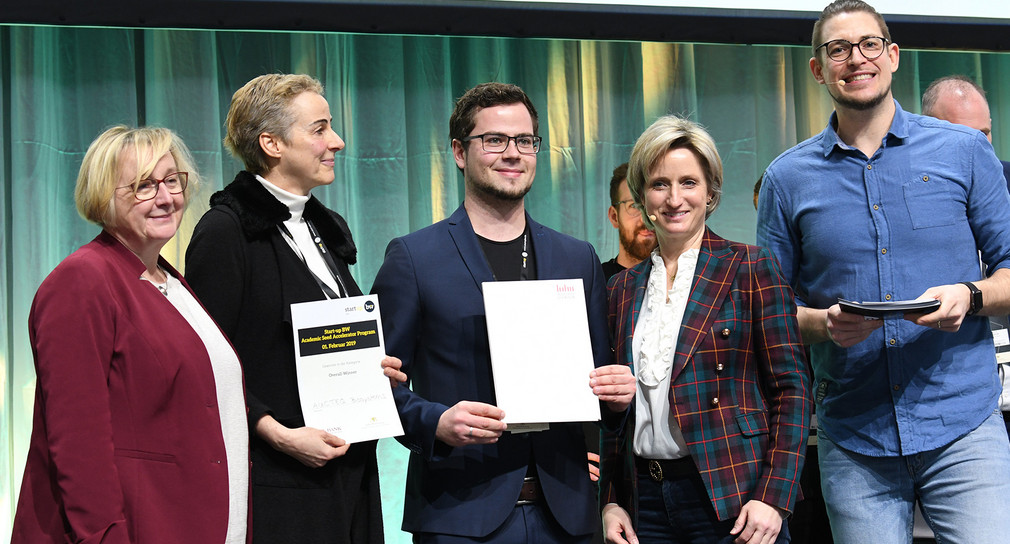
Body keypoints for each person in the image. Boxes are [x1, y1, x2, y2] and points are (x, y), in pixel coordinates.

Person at [756, 2, 1010, 542]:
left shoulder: (964, 152)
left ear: (892, 56)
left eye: (870, 44)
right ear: (818, 68)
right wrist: (822, 324)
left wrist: (971, 294)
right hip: (854, 437)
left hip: (964, 426)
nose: (856, 59)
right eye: (838, 49)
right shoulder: (786, 178)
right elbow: (770, 311)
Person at [371, 81, 636, 544]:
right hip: (459, 516)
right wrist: (436, 422)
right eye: (494, 140)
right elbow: (375, 384)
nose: (512, 153)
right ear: (459, 152)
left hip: (568, 517)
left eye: (525, 141)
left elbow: (597, 382)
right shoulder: (413, 258)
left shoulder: (577, 258)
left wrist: (616, 397)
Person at [185, 74, 406, 544]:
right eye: (320, 128)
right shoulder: (225, 232)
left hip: (350, 469)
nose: (338, 142)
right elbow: (206, 369)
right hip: (280, 482)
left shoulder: (325, 228)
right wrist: (278, 434)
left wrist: (374, 368)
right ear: (271, 143)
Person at [12, 126, 249, 543]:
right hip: (138, 529)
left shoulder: (171, 282)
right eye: (143, 186)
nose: (165, 198)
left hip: (199, 524)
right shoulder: (82, 280)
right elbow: (78, 444)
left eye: (172, 180)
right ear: (104, 194)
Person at [599, 115, 810, 544]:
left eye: (689, 183)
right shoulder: (621, 288)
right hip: (645, 505)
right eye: (660, 184)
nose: (675, 198)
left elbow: (792, 388)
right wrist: (609, 499)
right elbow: (613, 413)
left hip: (734, 497)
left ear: (710, 192)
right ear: (641, 196)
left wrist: (774, 496)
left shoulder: (750, 267)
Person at [922, 74, 1010, 438]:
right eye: (966, 134)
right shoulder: (910, 193)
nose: (980, 147)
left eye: (985, 133)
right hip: (949, 393)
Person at [921, 75, 1010, 186]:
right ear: (928, 132)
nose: (977, 145)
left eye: (983, 134)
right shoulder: (911, 185)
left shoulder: (1006, 178)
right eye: (963, 136)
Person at [602, 162, 658, 279]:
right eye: (634, 206)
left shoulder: (683, 280)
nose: (645, 219)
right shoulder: (597, 282)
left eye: (654, 205)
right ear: (614, 217)